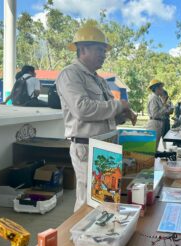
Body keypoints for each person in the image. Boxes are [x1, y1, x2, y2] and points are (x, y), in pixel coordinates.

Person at [56, 22, 136, 212]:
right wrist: (119, 105)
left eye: (104, 50)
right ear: (83, 49)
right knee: (87, 201)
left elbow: (105, 116)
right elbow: (82, 109)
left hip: (106, 145)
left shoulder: (99, 80)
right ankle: (79, 240)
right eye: (100, 49)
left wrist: (121, 115)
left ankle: (99, 240)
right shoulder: (70, 75)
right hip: (86, 146)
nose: (104, 54)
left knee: (105, 199)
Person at [146, 79, 171, 150]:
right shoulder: (154, 98)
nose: (162, 89)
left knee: (155, 147)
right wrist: (165, 107)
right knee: (152, 147)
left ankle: (153, 160)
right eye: (161, 87)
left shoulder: (157, 98)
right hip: (154, 123)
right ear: (157, 88)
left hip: (158, 123)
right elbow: (155, 114)